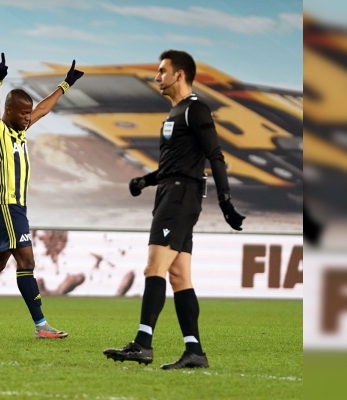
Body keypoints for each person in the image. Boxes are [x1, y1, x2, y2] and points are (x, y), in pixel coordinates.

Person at [103, 50, 245, 369]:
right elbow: (175, 165)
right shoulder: (175, 113)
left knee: (154, 268)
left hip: (180, 197)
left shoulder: (196, 109)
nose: (157, 77)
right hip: (171, 192)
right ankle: (194, 352)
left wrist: (225, 202)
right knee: (179, 276)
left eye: (162, 71)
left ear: (179, 75)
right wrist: (146, 180)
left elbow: (215, 156)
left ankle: (142, 344)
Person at [0, 53, 84, 339]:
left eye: (28, 113)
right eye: (23, 113)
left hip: (15, 206)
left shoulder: (20, 131)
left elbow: (44, 109)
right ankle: (41, 326)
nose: (27, 117)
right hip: (7, 205)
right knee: (27, 263)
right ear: (9, 111)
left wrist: (65, 85)